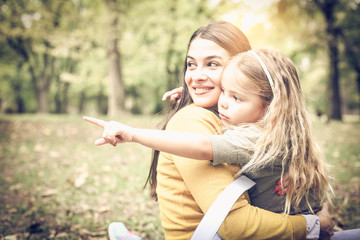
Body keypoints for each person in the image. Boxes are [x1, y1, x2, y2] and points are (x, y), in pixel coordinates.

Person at [85, 21, 334, 239]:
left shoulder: (250, 124)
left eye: (212, 64)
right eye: (191, 65)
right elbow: (235, 227)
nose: (196, 76)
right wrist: (312, 226)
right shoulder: (193, 120)